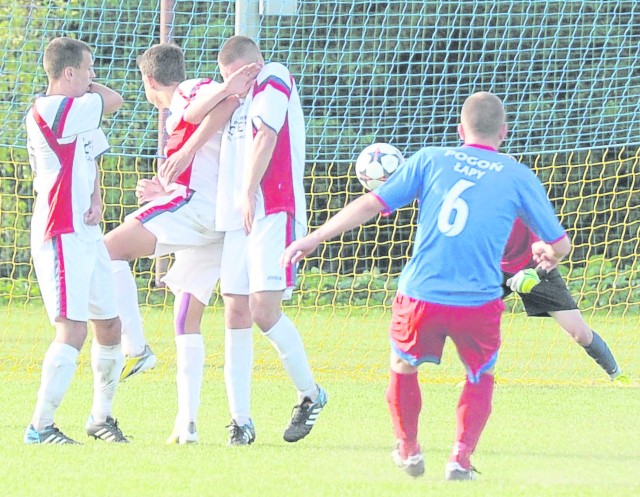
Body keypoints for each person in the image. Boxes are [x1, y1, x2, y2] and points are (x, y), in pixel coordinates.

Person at [282, 92, 572, 480]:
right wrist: (545, 250)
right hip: (479, 300)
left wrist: (313, 237)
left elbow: (371, 204)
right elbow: (560, 244)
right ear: (503, 132)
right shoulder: (518, 174)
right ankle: (460, 459)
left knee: (402, 367)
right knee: (480, 375)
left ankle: (408, 450)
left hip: (421, 293)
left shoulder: (431, 158)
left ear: (459, 130)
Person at [102, 43, 259, 444]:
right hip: (213, 221)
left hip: (198, 209)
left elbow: (218, 104)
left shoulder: (192, 87)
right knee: (186, 317)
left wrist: (188, 148)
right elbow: (217, 122)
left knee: (107, 250)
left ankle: (135, 348)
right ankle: (186, 424)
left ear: (149, 80)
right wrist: (163, 189)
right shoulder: (200, 99)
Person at [187, 35, 327, 445]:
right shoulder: (238, 96)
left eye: (234, 76)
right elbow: (197, 118)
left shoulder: (273, 77)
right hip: (238, 219)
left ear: (250, 66)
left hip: (273, 207)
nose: (234, 83)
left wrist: (248, 190)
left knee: (265, 309)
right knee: (236, 312)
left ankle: (311, 394)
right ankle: (241, 420)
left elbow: (266, 136)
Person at [24, 37, 128, 444]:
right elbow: (114, 99)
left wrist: (97, 196)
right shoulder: (54, 109)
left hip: (86, 232)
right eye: (87, 69)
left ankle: (100, 417)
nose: (93, 76)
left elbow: (92, 156)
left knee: (110, 324)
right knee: (72, 330)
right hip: (60, 232)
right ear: (68, 73)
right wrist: (91, 88)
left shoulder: (77, 113)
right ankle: (40, 426)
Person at [502, 218, 628, 382]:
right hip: (492, 268)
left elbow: (558, 246)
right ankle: (478, 377)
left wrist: (538, 270)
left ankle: (617, 375)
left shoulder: (526, 201)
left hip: (535, 266)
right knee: (470, 319)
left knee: (580, 334)